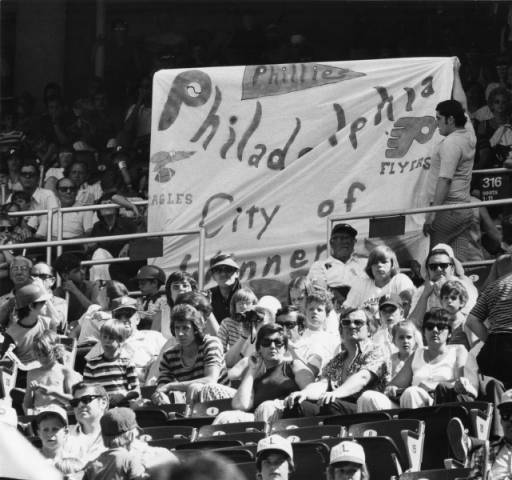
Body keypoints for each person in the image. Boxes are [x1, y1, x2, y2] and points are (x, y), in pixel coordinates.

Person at [359, 308, 477, 411]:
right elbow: (393, 385)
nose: (435, 330)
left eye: (440, 326)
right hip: (409, 403)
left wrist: (430, 388)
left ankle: (416, 435)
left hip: (441, 407)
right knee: (367, 397)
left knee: (412, 392)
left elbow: (466, 388)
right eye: (430, 327)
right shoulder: (417, 354)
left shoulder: (458, 351)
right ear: (424, 332)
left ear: (450, 333)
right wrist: (392, 389)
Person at [284, 308, 389, 416]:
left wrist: (336, 393)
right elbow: (322, 384)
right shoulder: (337, 360)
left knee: (331, 404)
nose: (352, 326)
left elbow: (363, 378)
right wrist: (304, 393)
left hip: (368, 409)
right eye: (346, 322)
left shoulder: (376, 351)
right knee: (296, 405)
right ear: (341, 329)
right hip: (339, 406)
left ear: (369, 329)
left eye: (358, 322)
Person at [423, 59, 477, 258]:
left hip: (448, 210)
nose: (437, 124)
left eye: (438, 118)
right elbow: (462, 104)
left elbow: (445, 179)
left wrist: (432, 214)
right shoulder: (469, 132)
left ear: (450, 119)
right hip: (465, 210)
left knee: (434, 259)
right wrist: (455, 73)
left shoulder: (451, 143)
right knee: (457, 262)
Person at [213, 324, 314, 424]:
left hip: (286, 416)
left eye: (278, 342)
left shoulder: (293, 365)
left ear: (285, 348)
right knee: (225, 417)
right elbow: (240, 405)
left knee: (267, 407)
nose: (272, 346)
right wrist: (252, 370)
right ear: (259, 349)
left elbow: (309, 391)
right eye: (266, 342)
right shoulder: (256, 375)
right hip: (257, 419)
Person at [151, 304, 233, 404]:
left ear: (195, 329)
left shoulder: (211, 344)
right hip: (195, 403)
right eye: (177, 328)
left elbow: (211, 380)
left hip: (224, 400)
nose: (180, 333)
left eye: (185, 328)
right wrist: (160, 396)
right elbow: (162, 387)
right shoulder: (169, 355)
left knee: (195, 388)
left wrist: (172, 386)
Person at [447, 388, 512, 480]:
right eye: (506, 414)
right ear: (501, 420)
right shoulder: (485, 452)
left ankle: (468, 442)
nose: (511, 419)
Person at [409, 244, 478, 327]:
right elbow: (410, 325)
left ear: (452, 269)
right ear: (428, 271)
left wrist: (442, 295)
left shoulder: (465, 288)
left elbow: (469, 323)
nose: (438, 269)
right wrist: (424, 296)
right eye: (433, 266)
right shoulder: (421, 292)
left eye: (443, 265)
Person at [466, 271, 512, 389]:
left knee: (498, 398)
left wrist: (490, 340)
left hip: (492, 350)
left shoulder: (494, 286)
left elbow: (472, 320)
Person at [83, 318, 140, 406]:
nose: (107, 341)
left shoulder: (126, 362)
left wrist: (123, 396)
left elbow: (136, 390)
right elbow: (87, 391)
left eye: (111, 338)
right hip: (101, 409)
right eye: (104, 337)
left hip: (122, 407)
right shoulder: (91, 364)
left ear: (120, 340)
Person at [23, 330, 82, 414]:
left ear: (56, 350)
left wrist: (53, 393)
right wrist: (30, 391)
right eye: (39, 354)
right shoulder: (32, 373)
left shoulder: (65, 371)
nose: (43, 358)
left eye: (46, 354)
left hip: (58, 415)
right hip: (39, 415)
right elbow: (28, 405)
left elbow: (73, 401)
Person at [343, 245, 415, 312]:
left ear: (392, 265)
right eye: (375, 263)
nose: (379, 265)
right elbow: (346, 310)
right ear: (370, 266)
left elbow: (406, 305)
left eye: (384, 262)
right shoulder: (361, 284)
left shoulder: (400, 280)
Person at [0, 282, 58, 365]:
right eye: (42, 302)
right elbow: (6, 364)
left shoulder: (48, 324)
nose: (46, 304)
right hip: (23, 374)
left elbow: (56, 352)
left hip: (47, 369)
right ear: (31, 306)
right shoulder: (11, 334)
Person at [82, 407, 146, 480]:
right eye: (136, 434)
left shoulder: (93, 463)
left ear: (103, 436)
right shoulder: (131, 459)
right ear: (130, 436)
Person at [287, 290, 339, 377]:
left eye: (319, 310)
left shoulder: (332, 339)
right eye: (311, 309)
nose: (315, 312)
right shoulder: (298, 337)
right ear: (305, 312)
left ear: (326, 314)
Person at [307, 223, 367, 298]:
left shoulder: (365, 264)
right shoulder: (319, 266)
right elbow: (318, 292)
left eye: (349, 238)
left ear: (354, 242)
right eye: (342, 238)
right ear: (332, 242)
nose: (346, 242)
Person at [63, 382, 109, 464]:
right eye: (75, 402)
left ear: (103, 402)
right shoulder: (64, 435)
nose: (80, 405)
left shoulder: (119, 435)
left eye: (86, 399)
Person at [13, 159, 59, 239]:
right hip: (15, 240)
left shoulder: (48, 195)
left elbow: (53, 222)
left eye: (31, 174)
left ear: (38, 177)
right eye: (24, 174)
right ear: (19, 178)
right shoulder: (13, 196)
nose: (27, 177)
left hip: (43, 242)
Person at [54, 252, 101, 324]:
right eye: (76, 271)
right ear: (65, 276)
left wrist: (75, 291)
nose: (82, 272)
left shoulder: (93, 286)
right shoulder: (58, 293)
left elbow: (97, 312)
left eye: (82, 268)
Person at [31, 261, 68, 333]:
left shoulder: (60, 302)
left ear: (52, 281)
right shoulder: (23, 300)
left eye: (42, 276)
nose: (37, 279)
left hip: (48, 340)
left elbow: (57, 324)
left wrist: (43, 292)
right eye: (33, 276)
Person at [217, 287, 258, 351]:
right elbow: (220, 347)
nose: (244, 306)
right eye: (240, 303)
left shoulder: (258, 324)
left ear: (254, 305)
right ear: (234, 306)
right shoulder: (227, 323)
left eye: (247, 303)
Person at [0, 255, 33, 331]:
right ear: (10, 275)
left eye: (24, 269)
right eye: (15, 269)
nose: (19, 272)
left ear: (30, 273)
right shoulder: (2, 300)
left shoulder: (42, 297)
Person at [207, 254, 241, 324]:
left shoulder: (248, 294)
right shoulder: (206, 296)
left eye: (228, 269)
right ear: (213, 276)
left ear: (237, 273)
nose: (223, 274)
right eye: (218, 270)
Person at [439, 279, 473, 350]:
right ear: (441, 301)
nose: (449, 301)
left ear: (462, 302)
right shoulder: (439, 324)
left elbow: (475, 349)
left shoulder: (466, 323)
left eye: (453, 298)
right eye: (446, 298)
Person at [371, 293, 406, 358]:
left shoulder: (413, 334)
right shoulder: (377, 338)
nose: (388, 314)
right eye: (384, 311)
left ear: (401, 313)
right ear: (380, 315)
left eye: (392, 310)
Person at [134, 265, 167, 331]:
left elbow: (164, 319)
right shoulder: (142, 300)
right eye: (139, 284)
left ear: (155, 283)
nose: (139, 286)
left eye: (143, 283)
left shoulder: (164, 300)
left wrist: (141, 315)